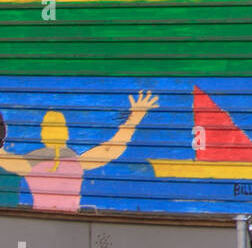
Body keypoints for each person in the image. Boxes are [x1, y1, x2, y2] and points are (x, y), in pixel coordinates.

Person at [0, 91, 159, 212]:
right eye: (48, 127)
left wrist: (134, 119)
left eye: (58, 126)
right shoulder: (30, 163)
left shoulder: (74, 161)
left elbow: (110, 149)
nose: (52, 131)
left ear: (66, 132)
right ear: (42, 133)